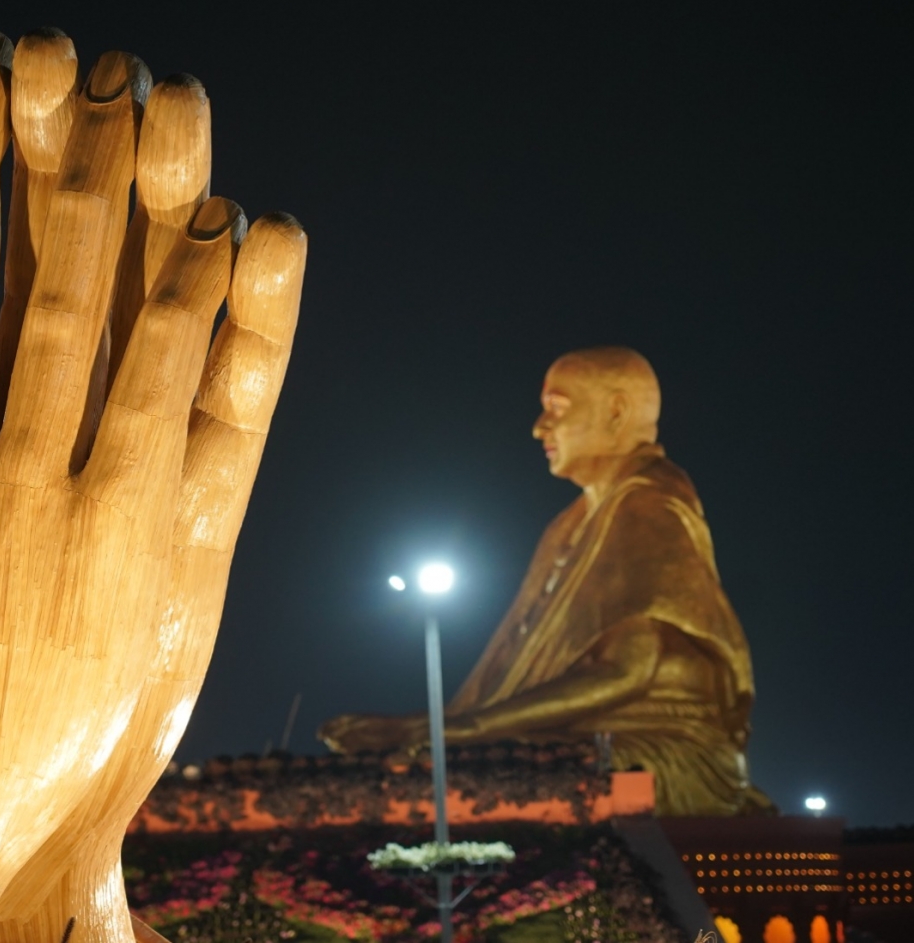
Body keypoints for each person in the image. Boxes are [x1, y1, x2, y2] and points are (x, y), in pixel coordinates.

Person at [319, 348, 772, 816]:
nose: (539, 427)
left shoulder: (647, 506)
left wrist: (442, 729)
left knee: (501, 776)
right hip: (569, 732)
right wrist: (439, 729)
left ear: (615, 411)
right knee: (446, 769)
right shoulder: (568, 527)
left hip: (661, 746)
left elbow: (626, 670)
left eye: (557, 408)